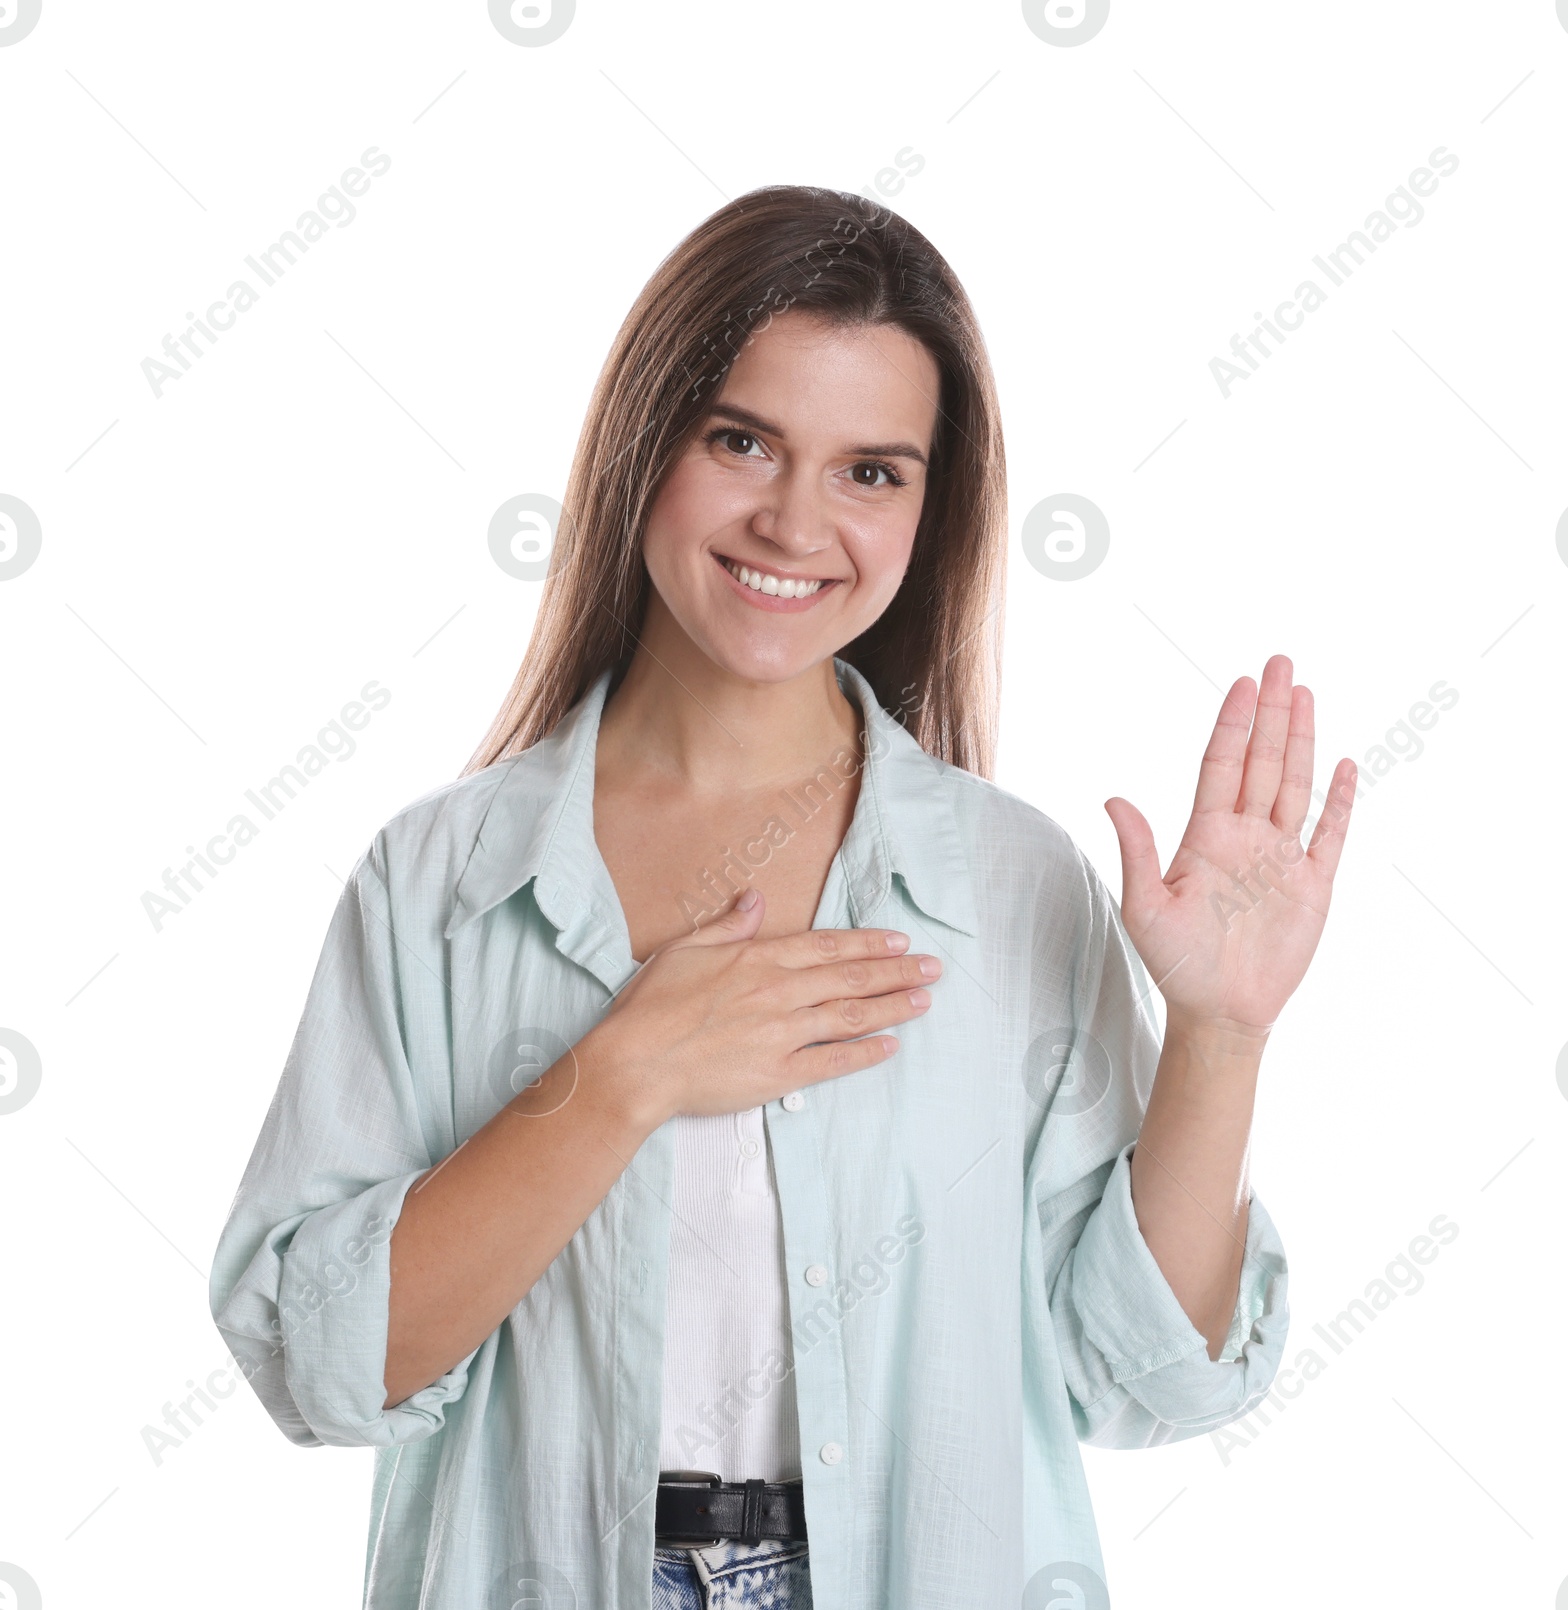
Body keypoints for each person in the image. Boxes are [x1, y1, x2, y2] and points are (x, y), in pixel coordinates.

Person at [209, 185, 1355, 1610]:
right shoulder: (439, 883)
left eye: (873, 471)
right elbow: (322, 1365)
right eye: (741, 439)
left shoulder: (1008, 883)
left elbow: (1141, 1378)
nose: (794, 520)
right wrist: (622, 1074)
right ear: (647, 446)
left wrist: (1221, 1036)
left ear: (932, 506)